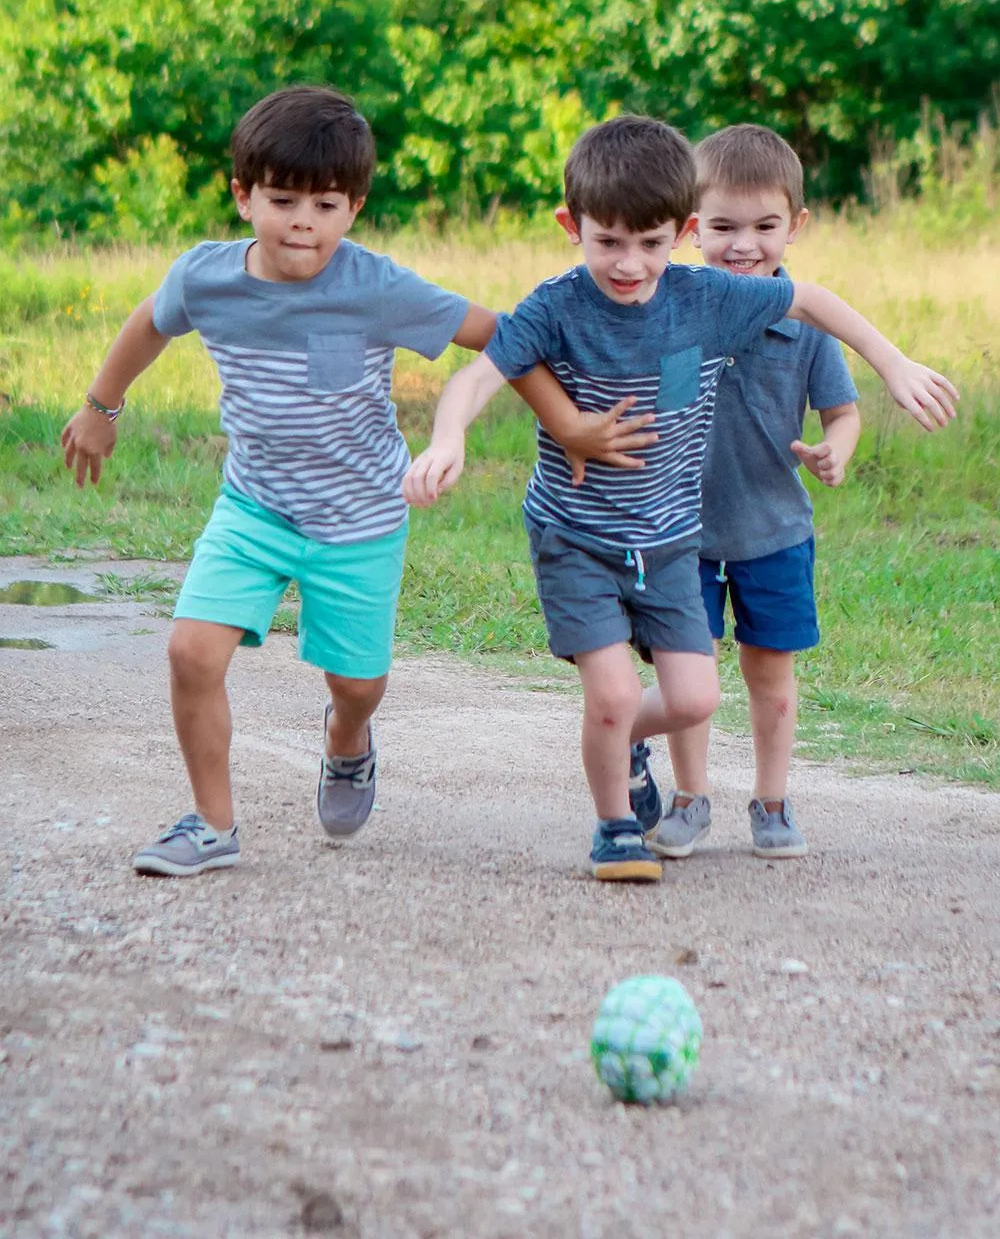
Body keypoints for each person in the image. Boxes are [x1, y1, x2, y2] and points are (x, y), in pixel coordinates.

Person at [60, 85, 641, 877]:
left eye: (326, 204)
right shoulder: (205, 278)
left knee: (358, 684)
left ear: (354, 207)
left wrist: (568, 422)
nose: (304, 220)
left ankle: (347, 738)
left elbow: (501, 336)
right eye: (282, 199)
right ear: (242, 197)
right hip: (253, 508)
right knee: (192, 652)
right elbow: (148, 322)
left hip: (361, 519)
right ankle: (211, 823)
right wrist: (102, 405)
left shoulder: (377, 288)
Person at [403, 115, 957, 884]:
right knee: (615, 688)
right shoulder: (555, 306)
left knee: (694, 698)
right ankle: (614, 826)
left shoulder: (707, 297)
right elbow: (476, 375)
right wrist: (448, 438)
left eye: (652, 242)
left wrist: (893, 365)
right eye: (609, 242)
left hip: (668, 538)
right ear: (574, 227)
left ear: (682, 231)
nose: (630, 264)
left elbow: (814, 301)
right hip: (576, 534)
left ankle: (616, 734)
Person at [626, 124, 861, 860]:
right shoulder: (676, 315)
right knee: (686, 673)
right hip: (682, 532)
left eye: (764, 227)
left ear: (796, 227)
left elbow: (843, 412)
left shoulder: (809, 328)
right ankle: (691, 798)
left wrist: (835, 452)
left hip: (775, 531)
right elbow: (652, 409)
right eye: (723, 227)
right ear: (693, 228)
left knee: (771, 674)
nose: (743, 245)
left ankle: (773, 800)